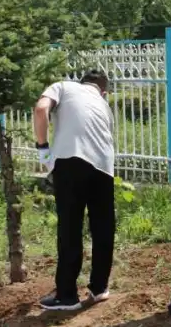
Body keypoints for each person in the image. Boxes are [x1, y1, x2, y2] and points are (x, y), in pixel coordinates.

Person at [33, 71, 116, 312]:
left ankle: (66, 296)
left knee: (70, 226)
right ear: (104, 92)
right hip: (104, 166)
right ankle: (99, 288)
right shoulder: (104, 105)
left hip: (70, 162)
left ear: (82, 83)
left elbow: (41, 109)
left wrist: (43, 148)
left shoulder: (63, 86)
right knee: (103, 226)